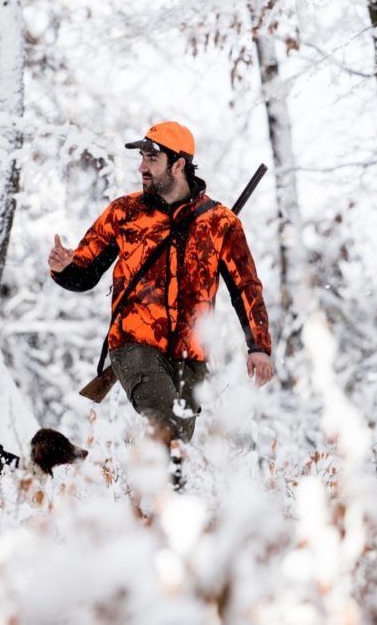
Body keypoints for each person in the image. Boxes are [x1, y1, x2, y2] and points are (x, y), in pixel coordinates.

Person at [48, 121, 274, 485]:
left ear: (179, 164)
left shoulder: (220, 223)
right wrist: (63, 268)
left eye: (152, 158)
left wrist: (259, 346)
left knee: (176, 443)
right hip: (134, 345)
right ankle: (160, 508)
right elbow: (84, 274)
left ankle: (150, 510)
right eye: (142, 158)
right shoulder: (124, 213)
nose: (142, 167)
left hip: (192, 357)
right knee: (167, 422)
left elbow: (245, 286)